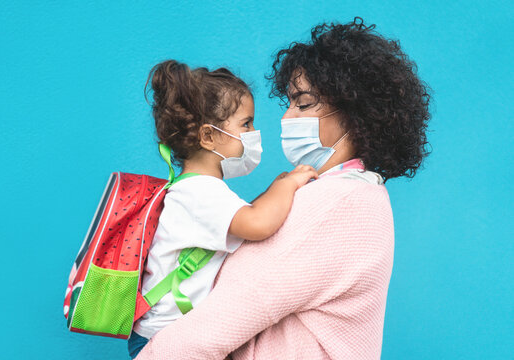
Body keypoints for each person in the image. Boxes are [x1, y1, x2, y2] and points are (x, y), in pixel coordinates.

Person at [134, 17, 431, 359]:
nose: (287, 118)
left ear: (355, 113)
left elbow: (216, 323)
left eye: (303, 103)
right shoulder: (360, 194)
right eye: (289, 103)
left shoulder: (337, 203)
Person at [128, 60, 319, 358]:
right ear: (208, 136)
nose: (253, 132)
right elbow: (257, 224)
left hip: (160, 333)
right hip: (166, 339)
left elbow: (245, 217)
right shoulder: (201, 193)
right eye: (246, 124)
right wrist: (288, 186)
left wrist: (274, 189)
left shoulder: (193, 189)